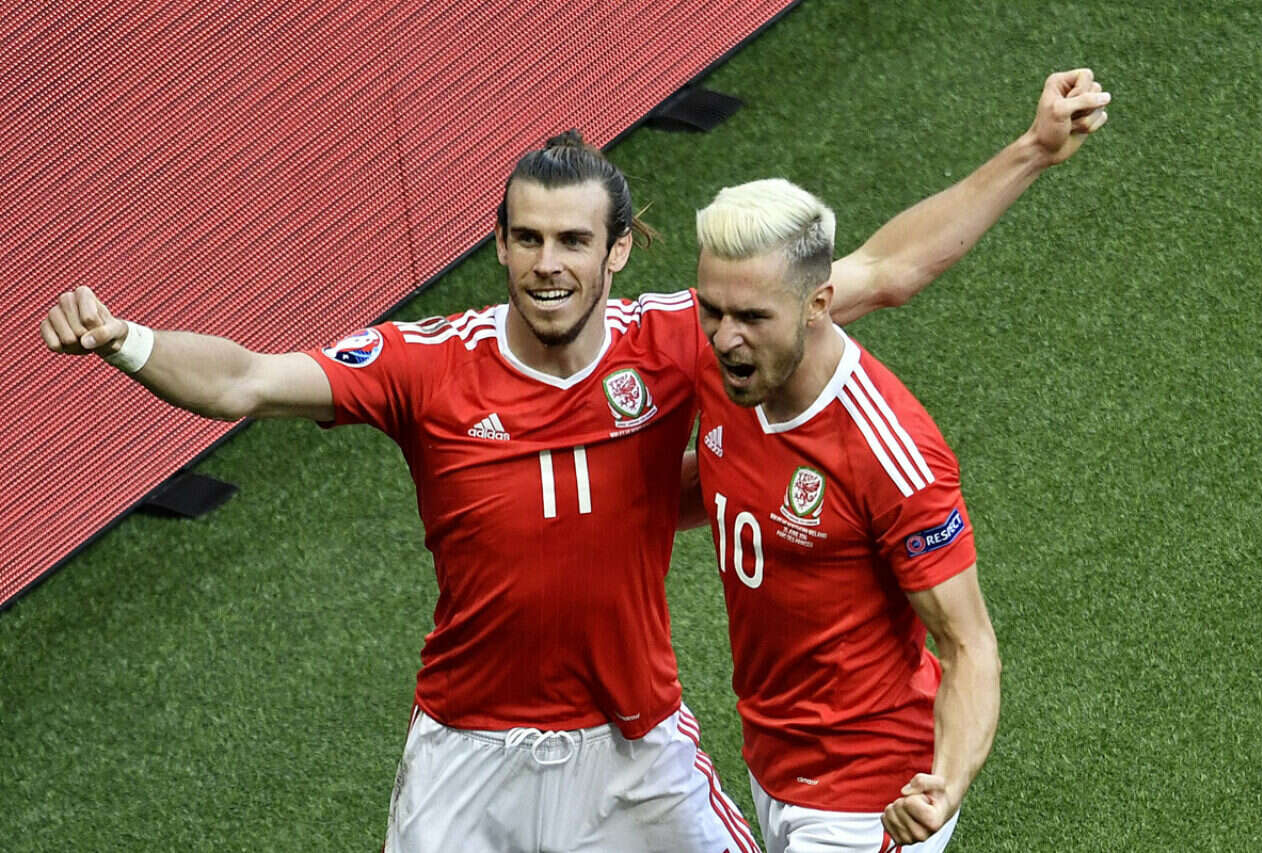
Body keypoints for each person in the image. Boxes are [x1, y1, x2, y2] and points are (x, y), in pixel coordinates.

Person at [39, 68, 1109, 852]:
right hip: (464, 749)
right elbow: (244, 380)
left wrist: (1029, 150)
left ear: (617, 249)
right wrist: (126, 340)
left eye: (572, 241)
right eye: (528, 238)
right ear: (501, 244)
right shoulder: (425, 364)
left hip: (634, 747)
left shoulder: (682, 338)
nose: (547, 264)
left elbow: (881, 268)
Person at [683, 65, 1110, 852]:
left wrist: (946, 782)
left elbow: (969, 646)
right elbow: (892, 268)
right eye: (710, 309)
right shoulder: (736, 356)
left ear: (818, 305)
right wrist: (1033, 147)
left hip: (870, 795)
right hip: (772, 763)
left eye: (750, 316)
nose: (723, 336)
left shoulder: (890, 451)